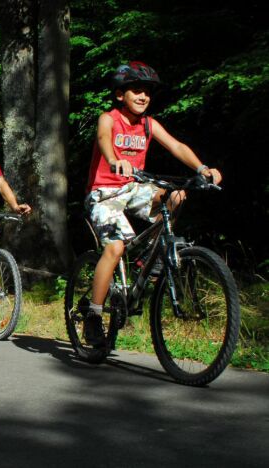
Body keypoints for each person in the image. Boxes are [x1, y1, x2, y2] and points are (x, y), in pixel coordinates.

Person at [83, 61, 222, 345]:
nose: (143, 96)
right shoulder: (109, 118)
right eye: (136, 90)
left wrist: (202, 169)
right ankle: (94, 316)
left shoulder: (149, 124)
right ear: (121, 94)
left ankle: (150, 254)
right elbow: (103, 139)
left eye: (146, 91)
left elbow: (176, 146)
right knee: (115, 246)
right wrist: (113, 161)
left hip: (135, 189)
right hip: (104, 193)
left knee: (177, 195)